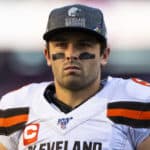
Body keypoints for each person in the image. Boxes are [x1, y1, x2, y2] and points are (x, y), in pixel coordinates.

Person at [0, 4, 150, 150]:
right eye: (61, 45)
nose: (70, 55)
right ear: (47, 55)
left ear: (104, 55)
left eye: (83, 45)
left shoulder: (135, 102)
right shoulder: (16, 107)